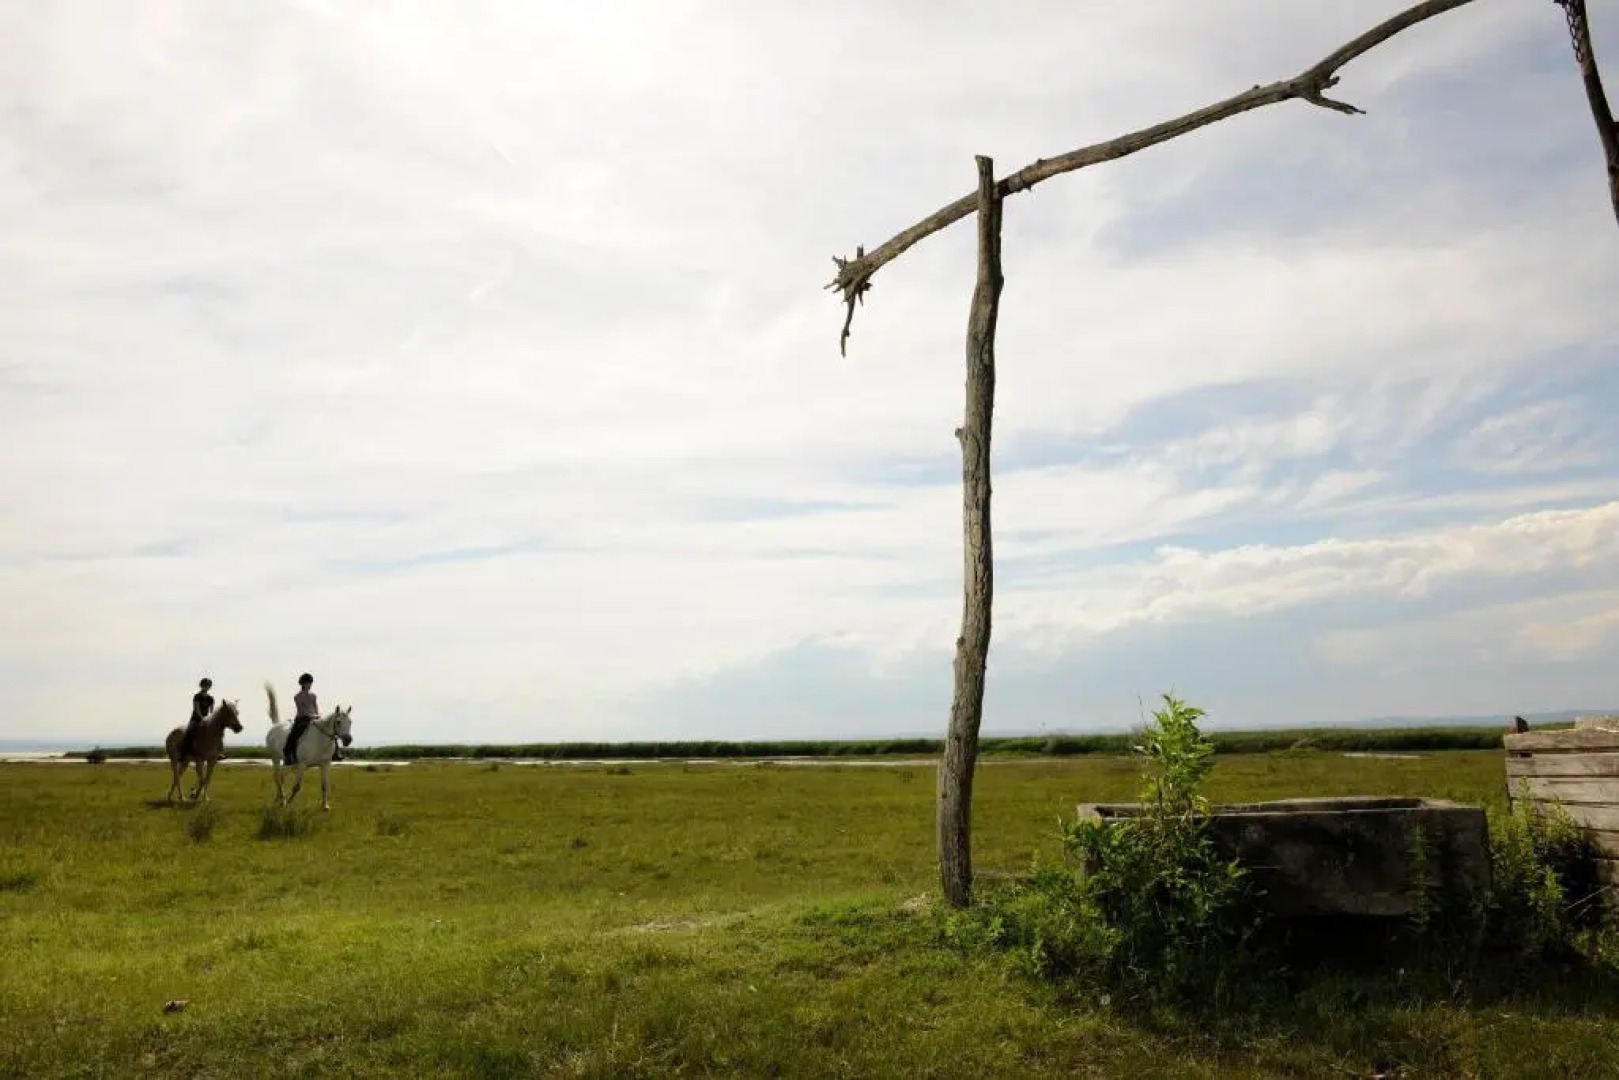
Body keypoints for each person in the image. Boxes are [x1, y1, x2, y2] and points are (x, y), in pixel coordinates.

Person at [285, 672, 342, 763]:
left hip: (314, 718)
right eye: (308, 683)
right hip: (302, 719)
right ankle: (288, 755)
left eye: (310, 683)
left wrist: (317, 715)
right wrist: (312, 716)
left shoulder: (313, 696)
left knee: (330, 731)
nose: (310, 685)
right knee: (293, 735)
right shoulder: (297, 697)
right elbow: (301, 710)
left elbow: (315, 707)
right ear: (303, 684)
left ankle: (336, 753)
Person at [180, 678, 214, 761]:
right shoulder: (197, 696)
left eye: (208, 686)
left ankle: (216, 753)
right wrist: (202, 718)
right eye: (205, 685)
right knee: (189, 732)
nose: (206, 687)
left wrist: (210, 719)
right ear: (201, 686)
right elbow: (196, 709)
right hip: (195, 719)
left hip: (206, 720)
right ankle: (183, 753)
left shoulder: (211, 698)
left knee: (215, 733)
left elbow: (212, 711)